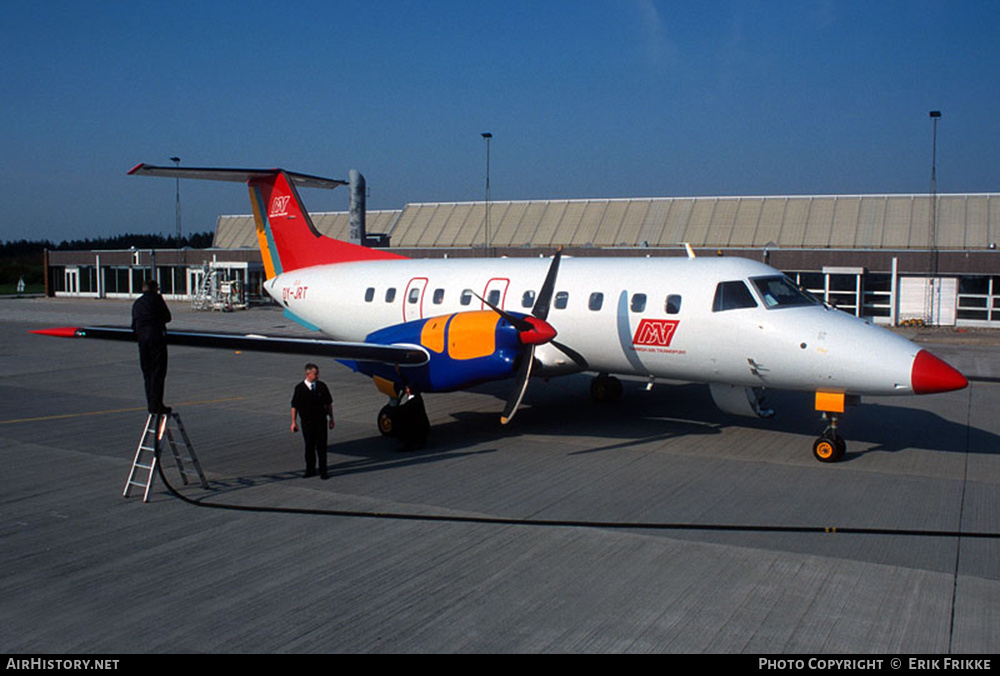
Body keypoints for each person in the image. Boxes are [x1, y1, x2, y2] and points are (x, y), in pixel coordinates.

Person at [131, 279, 172, 414]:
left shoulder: (137, 303)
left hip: (142, 340)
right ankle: (157, 404)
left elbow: (134, 324)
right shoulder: (156, 299)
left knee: (147, 373)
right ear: (154, 289)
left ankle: (151, 404)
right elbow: (167, 317)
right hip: (156, 338)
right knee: (158, 373)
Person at [290, 363, 335, 479]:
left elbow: (329, 403)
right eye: (316, 374)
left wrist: (331, 419)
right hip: (307, 422)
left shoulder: (322, 386)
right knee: (309, 446)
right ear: (308, 374)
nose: (318, 376)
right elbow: (295, 406)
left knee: (322, 446)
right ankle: (310, 469)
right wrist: (293, 422)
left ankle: (323, 470)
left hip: (321, 421)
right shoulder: (300, 389)